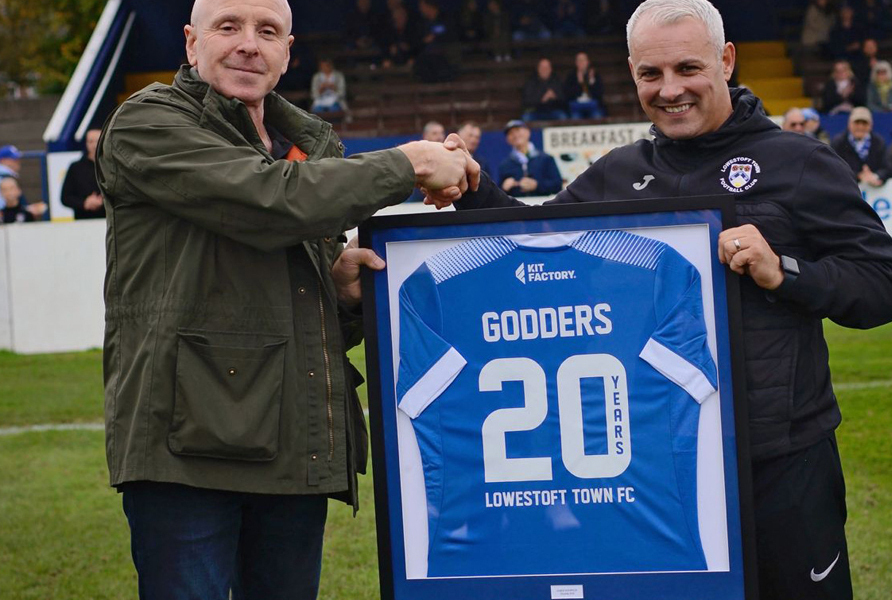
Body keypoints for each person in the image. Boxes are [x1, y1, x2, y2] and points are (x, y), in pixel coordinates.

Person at [430, 3, 892, 597]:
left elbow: (885, 287)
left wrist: (783, 270)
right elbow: (534, 247)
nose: (670, 89)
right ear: (632, 74)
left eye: (688, 68)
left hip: (781, 463)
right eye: (651, 75)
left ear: (726, 60)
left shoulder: (801, 162)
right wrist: (473, 191)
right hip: (658, 469)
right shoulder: (617, 172)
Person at [95, 1, 476, 598]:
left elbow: (283, 275)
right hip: (185, 451)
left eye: (267, 31)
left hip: (293, 444)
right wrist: (413, 161)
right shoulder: (147, 123)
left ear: (287, 52)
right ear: (192, 43)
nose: (249, 44)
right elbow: (271, 202)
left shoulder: (306, 147)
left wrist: (341, 288)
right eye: (229, 27)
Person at [496, 119, 563, 196]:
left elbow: (558, 185)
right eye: (511, 133)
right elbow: (498, 193)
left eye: (518, 130)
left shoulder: (546, 159)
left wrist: (537, 185)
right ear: (507, 139)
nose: (515, 135)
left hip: (542, 204)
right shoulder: (505, 165)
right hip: (517, 206)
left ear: (528, 132)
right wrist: (504, 188)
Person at [831, 106, 892, 186]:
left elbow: (887, 168)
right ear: (849, 124)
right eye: (857, 123)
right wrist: (858, 176)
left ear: (871, 125)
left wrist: (876, 176)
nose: (860, 127)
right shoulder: (839, 142)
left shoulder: (878, 142)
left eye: (864, 123)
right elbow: (835, 169)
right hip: (846, 191)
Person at [61, 129, 106, 219]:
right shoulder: (75, 167)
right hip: (82, 220)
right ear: (86, 143)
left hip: (108, 220)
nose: (94, 145)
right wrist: (84, 203)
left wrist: (103, 202)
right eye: (90, 141)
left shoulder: (111, 166)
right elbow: (65, 197)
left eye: (97, 141)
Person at [564, 51, 606, 119]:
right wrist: (579, 83)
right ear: (576, 63)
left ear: (588, 62)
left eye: (583, 60)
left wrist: (592, 82)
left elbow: (599, 94)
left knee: (597, 116)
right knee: (575, 118)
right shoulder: (571, 76)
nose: (581, 63)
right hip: (577, 107)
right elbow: (569, 95)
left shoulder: (595, 75)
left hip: (593, 107)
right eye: (579, 60)